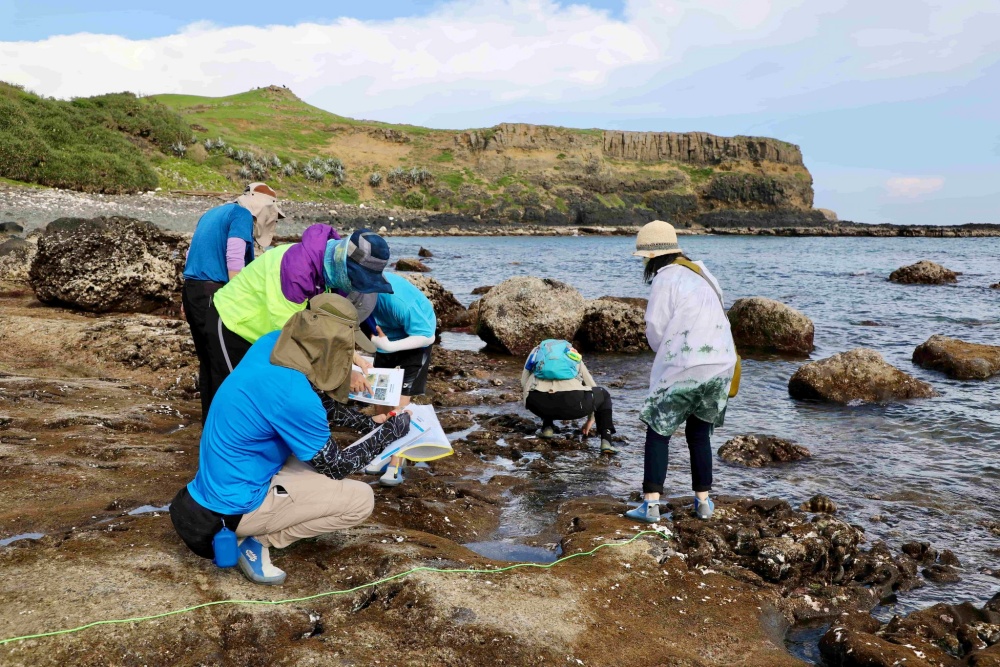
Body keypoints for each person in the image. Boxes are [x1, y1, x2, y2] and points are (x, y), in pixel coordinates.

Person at [170, 293, 413, 585]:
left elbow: (316, 403)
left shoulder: (272, 343)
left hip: (205, 493)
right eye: (346, 347)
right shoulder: (293, 393)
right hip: (223, 518)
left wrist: (367, 424)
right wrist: (389, 434)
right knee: (361, 500)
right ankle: (258, 540)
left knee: (308, 452)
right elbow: (337, 466)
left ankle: (257, 527)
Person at [201, 226, 393, 414]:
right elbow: (293, 338)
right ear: (343, 263)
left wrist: (351, 356)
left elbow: (324, 327)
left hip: (262, 335)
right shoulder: (297, 271)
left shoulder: (329, 270)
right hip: (232, 321)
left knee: (256, 395)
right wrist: (345, 375)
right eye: (357, 280)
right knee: (229, 393)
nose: (355, 286)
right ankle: (216, 443)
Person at [624, 220, 737, 524]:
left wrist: (662, 352)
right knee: (699, 435)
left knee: (658, 430)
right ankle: (703, 503)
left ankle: (650, 506)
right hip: (721, 364)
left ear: (651, 257)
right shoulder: (703, 272)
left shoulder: (666, 278)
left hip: (685, 366)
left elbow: (657, 329)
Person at [182, 182, 284, 421]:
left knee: (207, 361)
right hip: (213, 293)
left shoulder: (213, 213)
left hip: (193, 290)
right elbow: (235, 254)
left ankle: (211, 421)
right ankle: (229, 423)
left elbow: (191, 254)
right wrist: (239, 295)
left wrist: (184, 298)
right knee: (222, 362)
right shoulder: (241, 215)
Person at [363, 272, 436, 487]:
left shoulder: (398, 301)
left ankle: (396, 463)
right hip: (383, 337)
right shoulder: (352, 292)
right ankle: (385, 452)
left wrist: (391, 346)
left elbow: (427, 335)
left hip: (416, 341)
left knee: (399, 407)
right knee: (380, 398)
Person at [520, 339, 617, 455]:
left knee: (547, 393)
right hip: (573, 404)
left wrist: (527, 400)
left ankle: (547, 429)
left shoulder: (537, 351)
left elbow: (523, 381)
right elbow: (590, 384)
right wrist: (591, 419)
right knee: (603, 394)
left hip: (537, 403)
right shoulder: (571, 353)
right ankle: (606, 441)